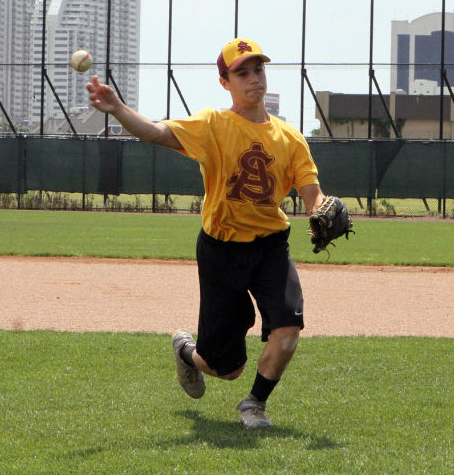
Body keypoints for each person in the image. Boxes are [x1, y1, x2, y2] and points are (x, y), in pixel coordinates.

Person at [86, 38, 325, 429]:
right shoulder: (213, 125)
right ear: (225, 82)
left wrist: (320, 210)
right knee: (224, 367)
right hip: (221, 250)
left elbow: (313, 194)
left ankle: (254, 405)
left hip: (270, 247)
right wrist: (118, 109)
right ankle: (188, 353)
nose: (253, 79)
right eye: (242, 72)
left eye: (258, 70)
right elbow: (156, 132)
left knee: (289, 326)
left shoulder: (290, 138)